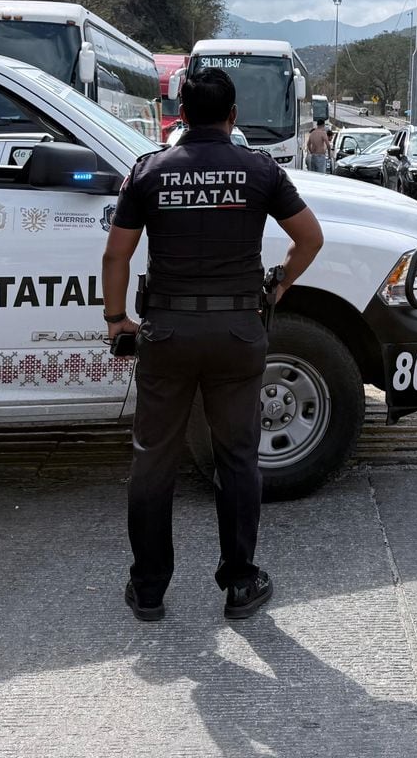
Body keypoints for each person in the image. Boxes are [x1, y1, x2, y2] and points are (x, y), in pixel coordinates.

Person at [102, 67, 325, 622]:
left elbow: (117, 256)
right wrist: (277, 284)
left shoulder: (150, 171)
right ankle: (240, 584)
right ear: (232, 117)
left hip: (167, 333)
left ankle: (149, 588)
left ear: (180, 114)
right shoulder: (260, 170)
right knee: (237, 458)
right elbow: (310, 238)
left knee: (154, 460)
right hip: (236, 335)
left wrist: (116, 319)